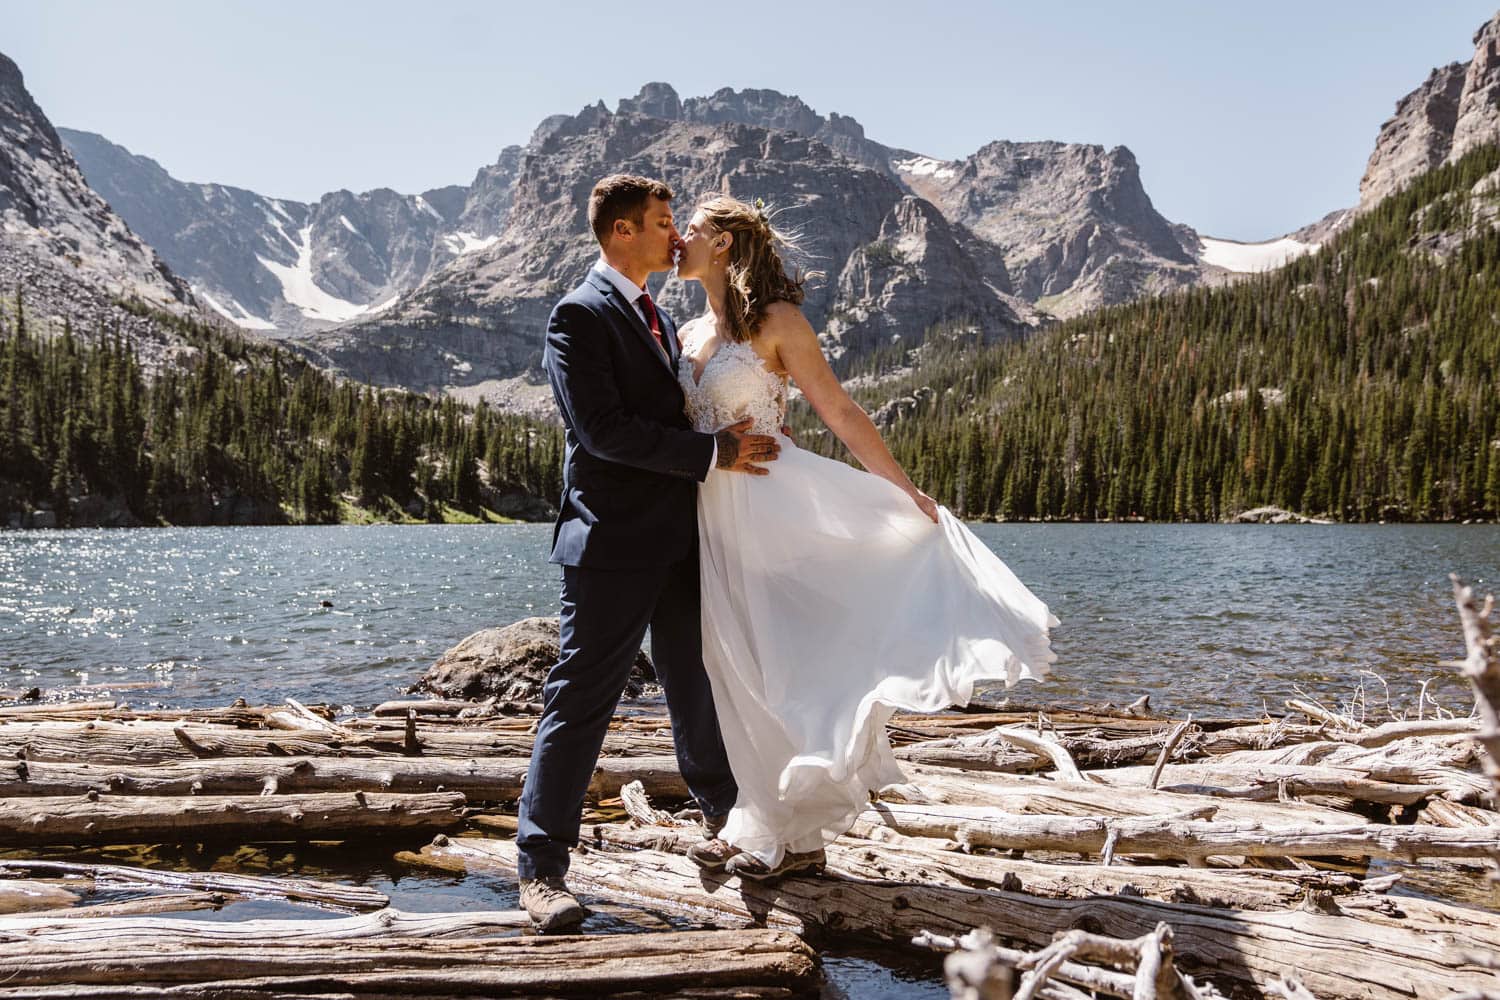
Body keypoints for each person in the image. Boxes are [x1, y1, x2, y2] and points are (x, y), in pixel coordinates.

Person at [672, 194, 1059, 880]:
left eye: (693, 230)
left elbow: (840, 409)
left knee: (779, 663)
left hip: (771, 508)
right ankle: (767, 823)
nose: (677, 239)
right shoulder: (687, 333)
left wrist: (903, 491)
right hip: (708, 517)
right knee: (727, 665)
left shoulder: (779, 322)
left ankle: (772, 830)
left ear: (726, 243)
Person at [516, 176, 781, 930]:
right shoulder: (579, 315)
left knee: (697, 684)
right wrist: (712, 453)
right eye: (664, 223)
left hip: (678, 541)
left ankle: (726, 824)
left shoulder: (658, 317)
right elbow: (603, 431)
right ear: (623, 232)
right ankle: (541, 869)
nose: (675, 236)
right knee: (582, 697)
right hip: (609, 542)